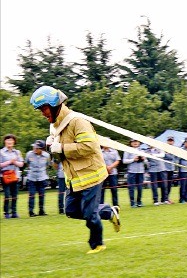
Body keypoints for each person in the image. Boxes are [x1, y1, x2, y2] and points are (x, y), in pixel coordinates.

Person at [30, 86, 120, 254]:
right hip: (74, 178)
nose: (42, 113)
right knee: (71, 210)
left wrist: (61, 147)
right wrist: (52, 147)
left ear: (55, 104)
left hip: (91, 175)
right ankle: (108, 211)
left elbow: (89, 146)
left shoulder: (77, 121)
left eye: (44, 108)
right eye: (40, 110)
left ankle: (97, 244)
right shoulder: (55, 126)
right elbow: (61, 154)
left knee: (89, 214)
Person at [25, 139, 51, 216]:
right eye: (34, 147)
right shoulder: (29, 154)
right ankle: (31, 212)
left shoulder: (47, 156)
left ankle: (41, 211)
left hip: (42, 177)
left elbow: (48, 165)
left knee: (42, 195)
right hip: (31, 178)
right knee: (31, 195)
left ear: (42, 149)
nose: (35, 149)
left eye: (37, 148)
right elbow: (27, 164)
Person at [1, 134, 24, 219]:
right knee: (7, 195)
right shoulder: (1, 152)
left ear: (14, 142)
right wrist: (9, 161)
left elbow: (21, 164)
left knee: (15, 195)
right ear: (5, 141)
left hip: (15, 176)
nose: (10, 142)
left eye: (11, 140)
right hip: (5, 176)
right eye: (8, 140)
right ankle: (6, 212)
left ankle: (14, 212)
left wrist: (14, 162)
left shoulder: (17, 152)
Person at [142, 139, 169, 205]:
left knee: (164, 185)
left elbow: (162, 155)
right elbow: (145, 160)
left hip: (161, 168)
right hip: (152, 169)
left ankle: (164, 199)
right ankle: (156, 200)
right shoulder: (146, 151)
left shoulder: (159, 148)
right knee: (154, 185)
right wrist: (147, 163)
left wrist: (152, 155)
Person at [123, 138, 146, 207]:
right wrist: (133, 159)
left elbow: (146, 162)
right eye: (133, 141)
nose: (135, 143)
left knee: (140, 188)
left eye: (137, 141)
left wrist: (144, 159)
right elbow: (124, 161)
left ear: (139, 143)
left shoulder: (142, 151)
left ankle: (139, 201)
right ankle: (132, 202)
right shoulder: (127, 150)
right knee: (131, 188)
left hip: (140, 171)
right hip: (131, 171)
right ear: (131, 143)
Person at [163, 136, 177, 201]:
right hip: (165, 169)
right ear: (167, 141)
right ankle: (164, 199)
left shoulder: (175, 149)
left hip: (172, 169)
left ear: (173, 142)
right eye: (169, 141)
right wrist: (169, 154)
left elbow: (174, 158)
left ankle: (167, 198)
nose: (170, 142)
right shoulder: (164, 149)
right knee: (165, 185)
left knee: (169, 185)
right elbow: (167, 156)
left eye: (171, 141)